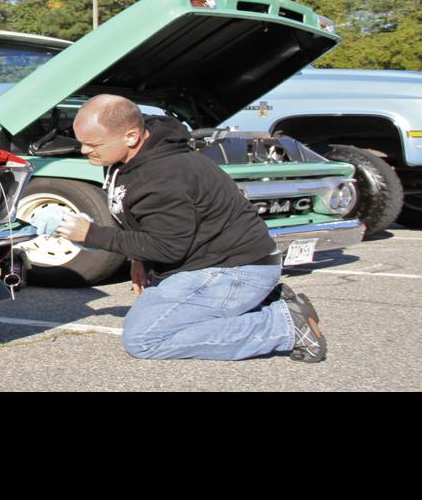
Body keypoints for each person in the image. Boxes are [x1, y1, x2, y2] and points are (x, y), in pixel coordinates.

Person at [52, 95, 329, 363]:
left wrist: (89, 234)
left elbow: (170, 247)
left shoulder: (163, 175)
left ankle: (283, 325)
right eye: (82, 143)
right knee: (157, 314)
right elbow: (145, 221)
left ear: (131, 137)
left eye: (92, 144)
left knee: (145, 338)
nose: (85, 150)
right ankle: (263, 301)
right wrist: (140, 257)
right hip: (214, 262)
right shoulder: (128, 156)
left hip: (235, 269)